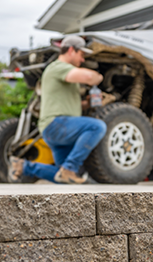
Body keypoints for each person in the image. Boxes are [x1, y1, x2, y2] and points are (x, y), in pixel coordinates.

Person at [8, 35, 106, 184]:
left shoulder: (62, 72)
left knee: (62, 177)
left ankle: (23, 166)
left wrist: (86, 104)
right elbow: (88, 77)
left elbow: (65, 103)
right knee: (97, 127)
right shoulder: (58, 67)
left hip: (56, 127)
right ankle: (70, 168)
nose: (83, 59)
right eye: (81, 54)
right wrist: (98, 77)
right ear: (71, 50)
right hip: (57, 124)